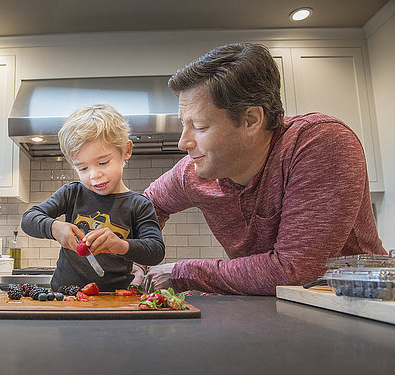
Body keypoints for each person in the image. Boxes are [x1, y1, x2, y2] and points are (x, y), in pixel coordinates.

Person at [138, 43, 386, 295]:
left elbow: (295, 271)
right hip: (271, 310)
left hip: (356, 308)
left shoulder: (319, 142)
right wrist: (135, 260)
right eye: (183, 125)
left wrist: (183, 272)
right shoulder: (192, 173)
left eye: (199, 126)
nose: (183, 142)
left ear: (251, 120)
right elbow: (145, 206)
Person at [21, 103, 165, 291]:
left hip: (114, 300)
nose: (94, 175)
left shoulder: (139, 205)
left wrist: (120, 245)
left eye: (103, 162)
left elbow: (155, 250)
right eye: (82, 168)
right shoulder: (72, 193)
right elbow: (28, 219)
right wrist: (54, 227)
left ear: (126, 151)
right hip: (65, 298)